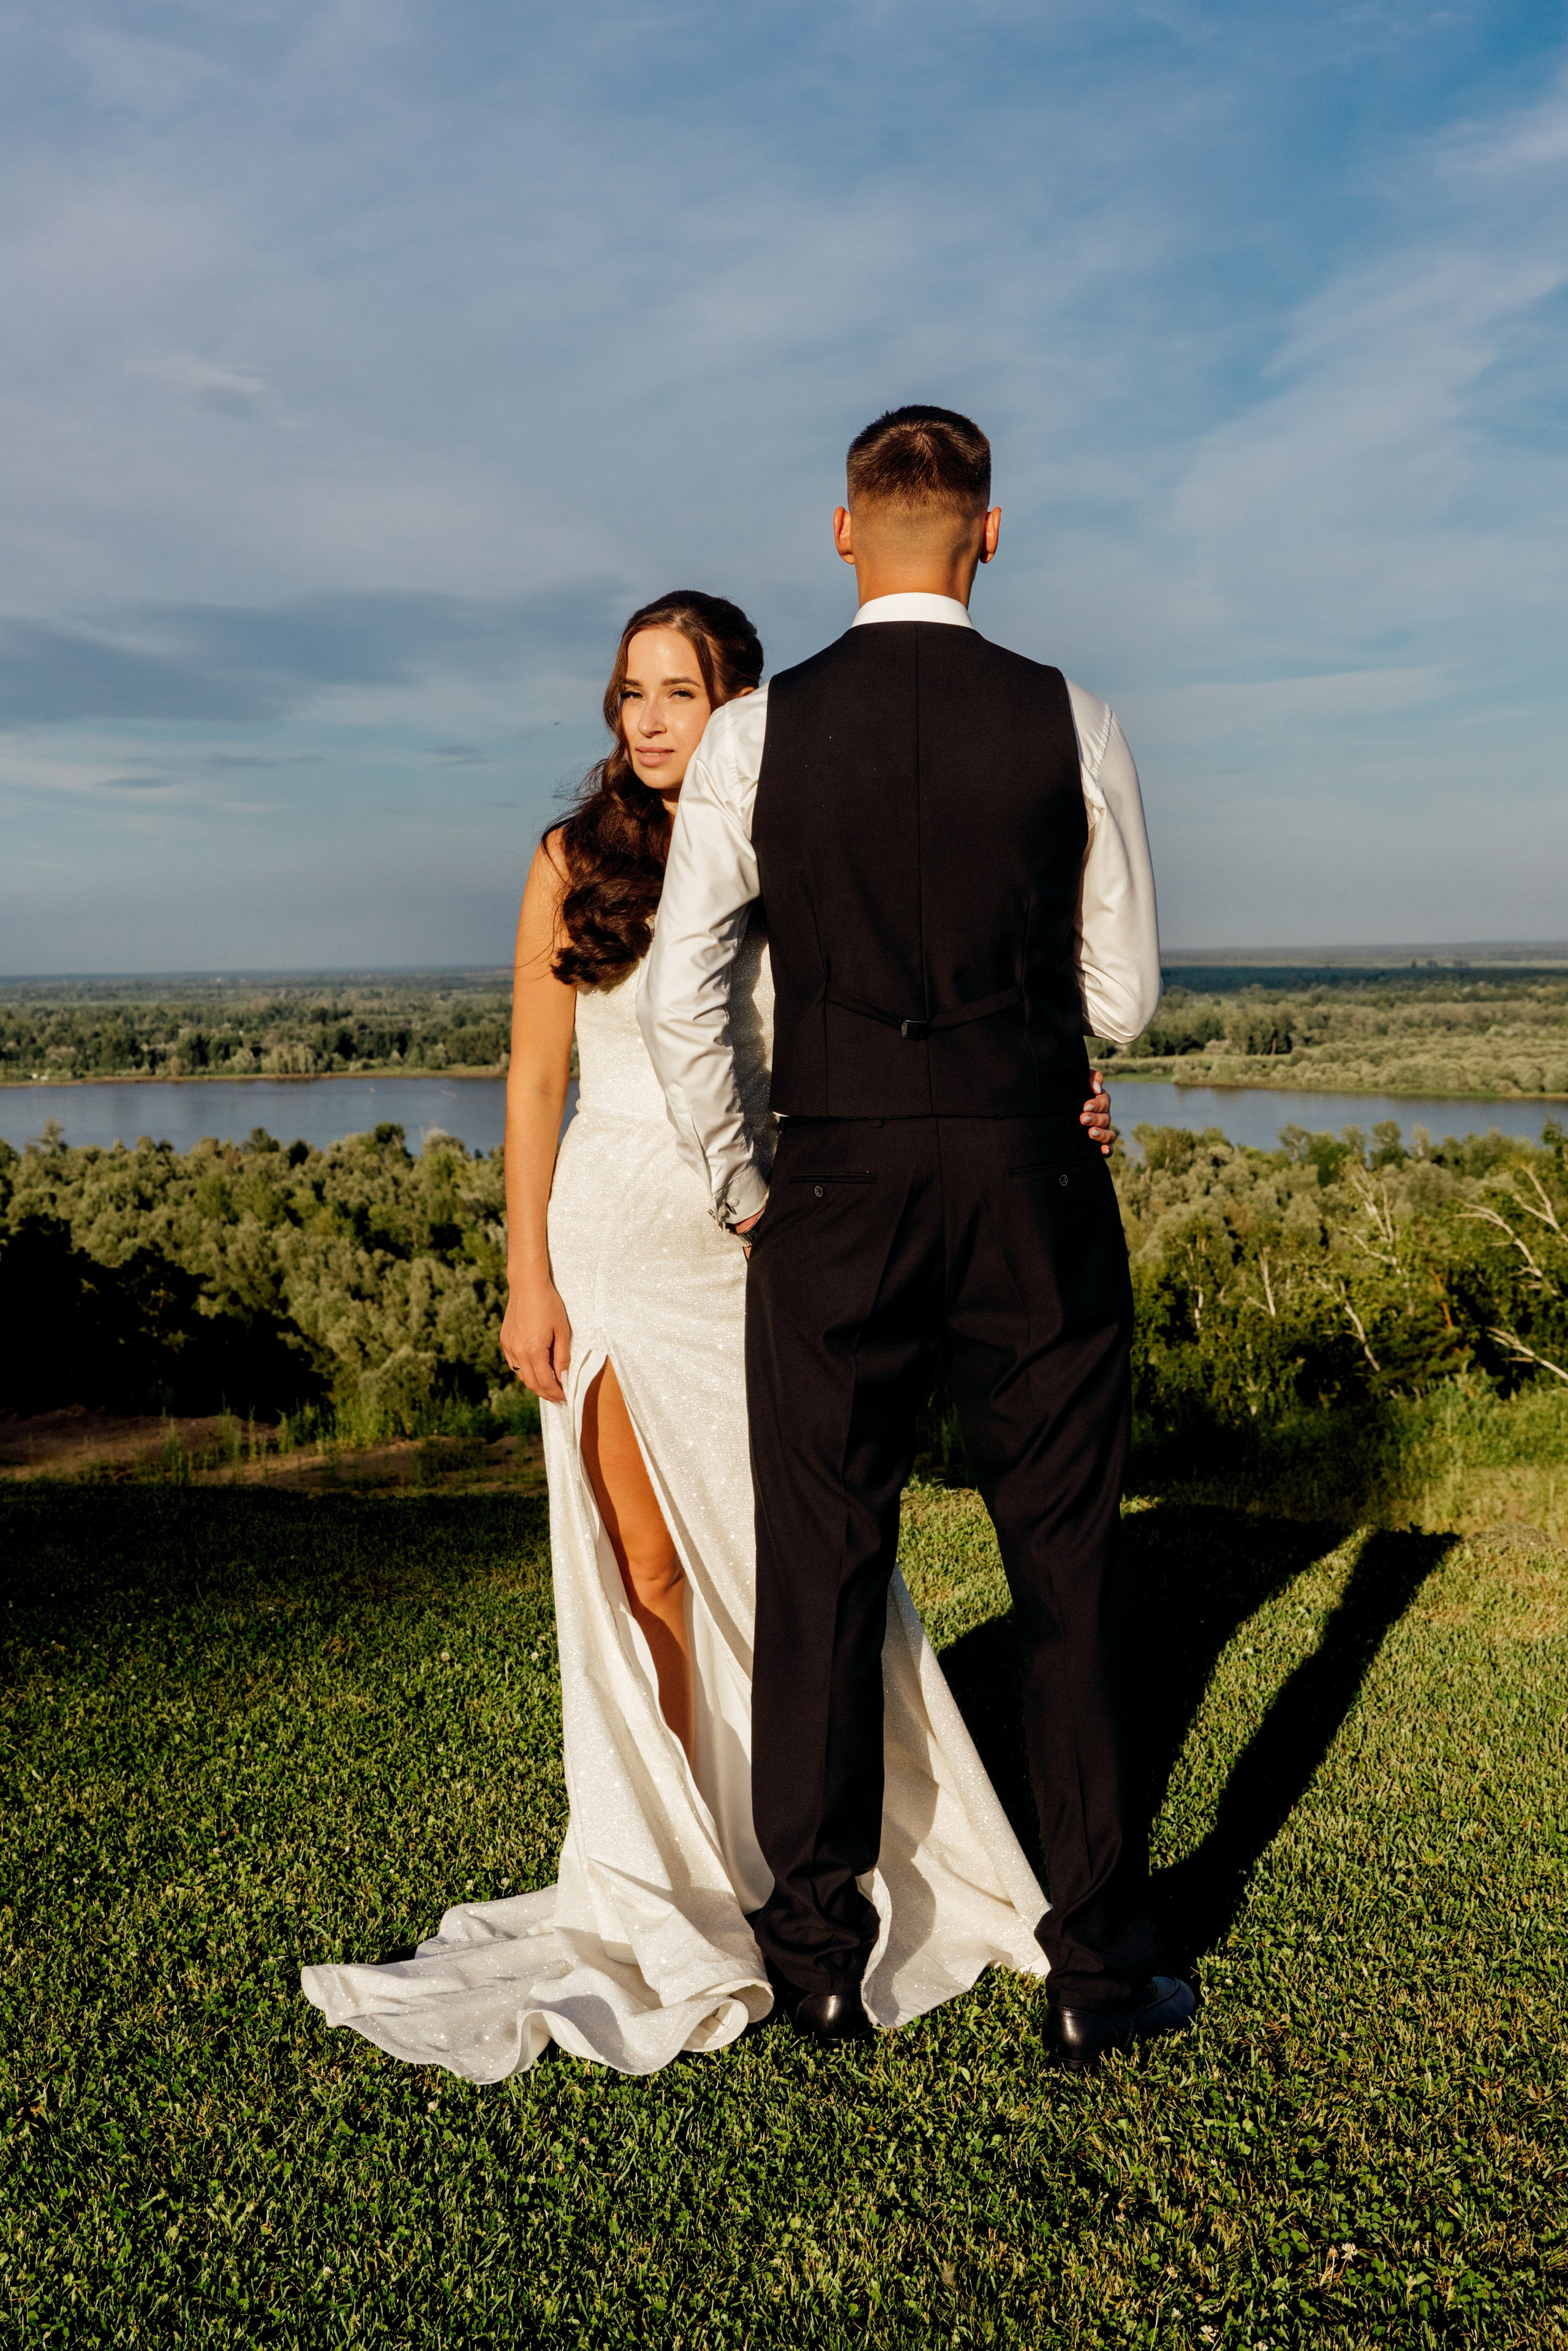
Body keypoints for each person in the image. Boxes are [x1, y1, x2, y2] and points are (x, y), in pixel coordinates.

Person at [301, 588, 1118, 2078]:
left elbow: (917, 1016)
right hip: (613, 1238)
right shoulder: (570, 861)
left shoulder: (791, 829)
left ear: (738, 703)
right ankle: (683, 1862)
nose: (649, 719)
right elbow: (532, 1080)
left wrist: (1047, 1096)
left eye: (678, 691)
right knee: (650, 1567)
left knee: (805, 1564)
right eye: (631, 693)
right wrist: (526, 1275)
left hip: (779, 1239)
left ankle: (814, 1859)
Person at [640, 408, 1196, 2066]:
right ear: (988, 532)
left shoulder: (755, 737)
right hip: (1029, 1171)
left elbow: (683, 999)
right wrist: (1030, 1050)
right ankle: (1094, 1965)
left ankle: (817, 1953)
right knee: (1067, 1561)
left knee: (819, 1560)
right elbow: (1125, 997)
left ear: (841, 531)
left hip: (833, 1186)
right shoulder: (1072, 715)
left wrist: (748, 1184)